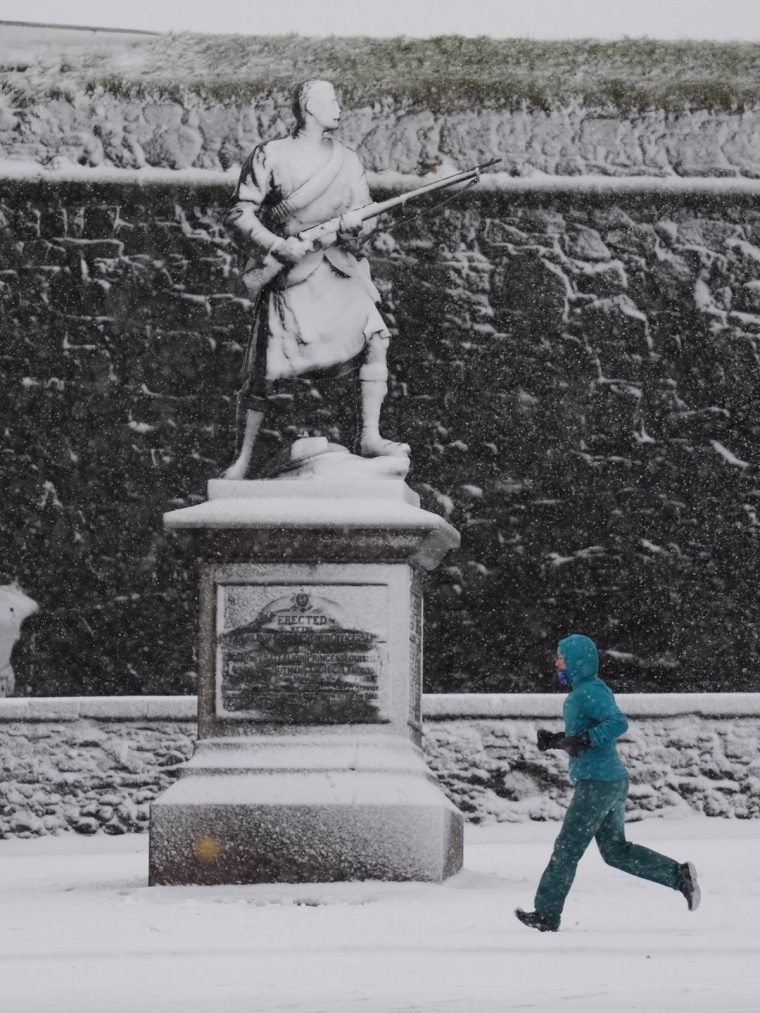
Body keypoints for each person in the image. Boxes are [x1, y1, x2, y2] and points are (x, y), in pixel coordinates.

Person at [221, 79, 409, 479]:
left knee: (377, 338)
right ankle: (243, 459)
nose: (340, 108)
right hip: (291, 271)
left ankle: (369, 437)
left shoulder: (348, 160)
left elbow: (363, 219)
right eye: (333, 102)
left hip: (338, 267)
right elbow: (239, 215)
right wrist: (276, 246)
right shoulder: (270, 155)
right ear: (309, 107)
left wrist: (358, 229)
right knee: (262, 372)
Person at [515, 633, 700, 932]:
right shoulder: (585, 691)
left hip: (597, 783)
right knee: (615, 852)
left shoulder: (589, 692)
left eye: (562, 656)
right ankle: (678, 875)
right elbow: (584, 738)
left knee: (567, 848)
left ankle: (546, 915)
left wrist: (586, 739)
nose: (557, 662)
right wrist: (557, 740)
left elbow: (617, 723)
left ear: (577, 661)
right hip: (610, 780)